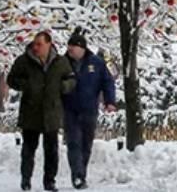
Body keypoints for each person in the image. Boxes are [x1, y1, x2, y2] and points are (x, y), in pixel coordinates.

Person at [7, 31, 76, 191]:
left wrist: (64, 87)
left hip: (51, 112)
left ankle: (50, 181)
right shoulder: (24, 61)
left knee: (51, 150)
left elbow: (71, 79)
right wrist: (25, 85)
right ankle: (26, 180)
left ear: (49, 44)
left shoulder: (61, 62)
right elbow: (11, 79)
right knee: (28, 149)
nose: (35, 47)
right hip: (30, 111)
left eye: (39, 44)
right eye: (34, 44)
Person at [62, 30, 117, 190]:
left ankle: (82, 173)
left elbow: (107, 82)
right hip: (69, 109)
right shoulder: (62, 63)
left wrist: (109, 101)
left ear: (82, 48)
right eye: (69, 46)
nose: (70, 49)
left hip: (89, 109)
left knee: (86, 144)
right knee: (73, 143)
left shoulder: (96, 63)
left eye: (73, 46)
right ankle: (77, 175)